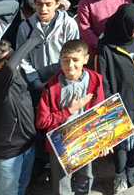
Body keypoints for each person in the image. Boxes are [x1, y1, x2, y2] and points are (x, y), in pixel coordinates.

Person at [95, 4, 134, 192]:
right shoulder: (106, 46)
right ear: (124, 25)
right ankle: (120, 175)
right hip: (120, 105)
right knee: (121, 144)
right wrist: (109, 110)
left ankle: (132, 168)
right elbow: (103, 81)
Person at [35, 39, 104, 195]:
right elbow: (41, 122)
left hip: (86, 139)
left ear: (86, 59)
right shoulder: (50, 87)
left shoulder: (95, 80)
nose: (70, 65)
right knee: (61, 183)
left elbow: (100, 113)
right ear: (59, 60)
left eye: (75, 60)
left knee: (85, 177)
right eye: (65, 60)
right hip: (61, 144)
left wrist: (102, 140)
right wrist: (70, 110)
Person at [0, 35, 41, 195]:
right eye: (9, 58)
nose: (15, 60)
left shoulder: (14, 73)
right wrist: (34, 39)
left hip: (27, 146)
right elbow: (10, 68)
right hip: (6, 156)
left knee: (21, 190)